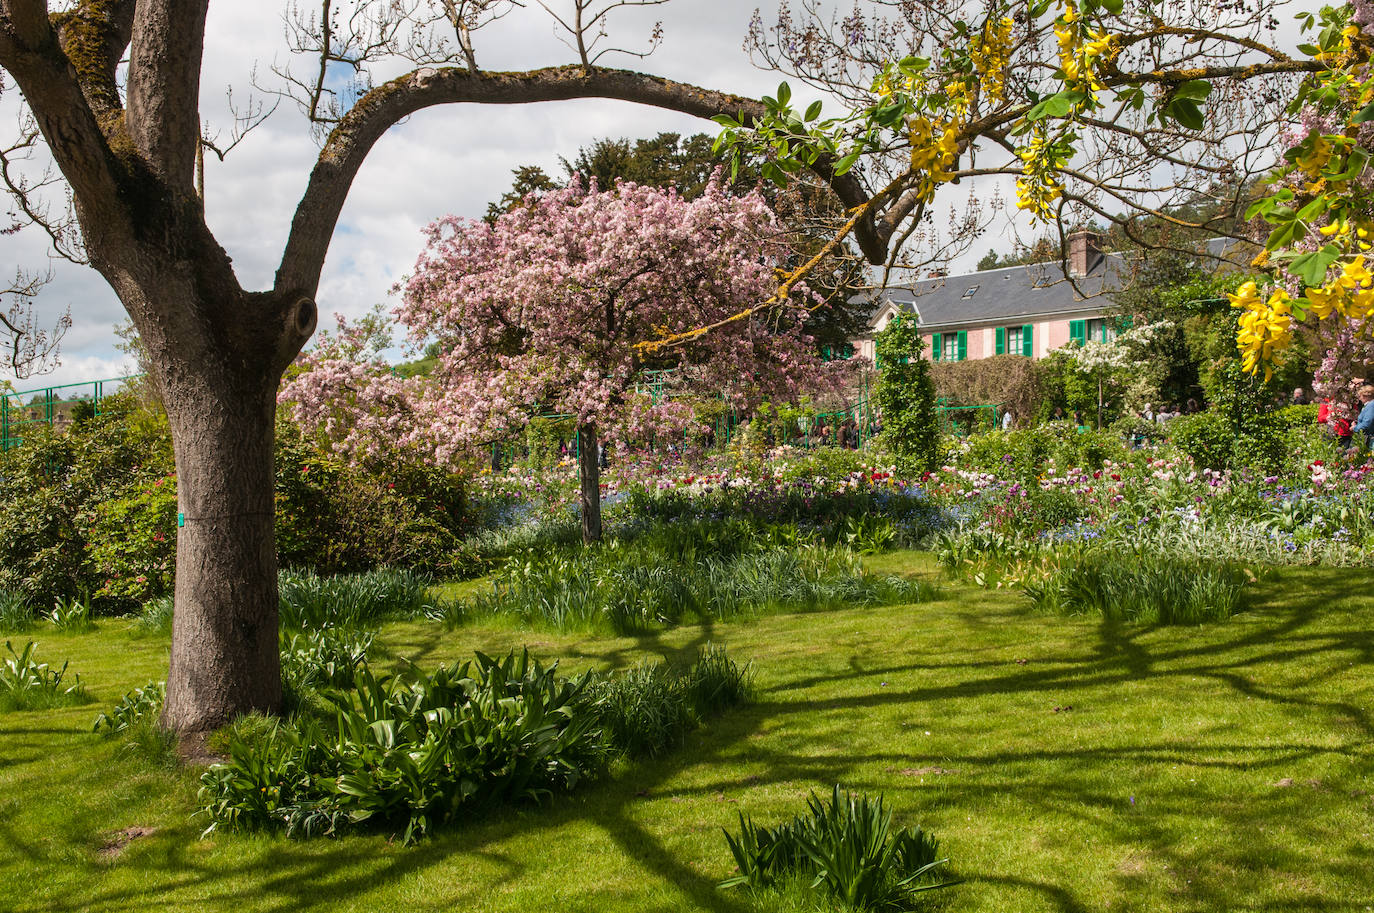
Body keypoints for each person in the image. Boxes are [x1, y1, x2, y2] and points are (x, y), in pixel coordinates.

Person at [1354, 384, 1374, 448]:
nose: (1359, 399)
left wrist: (1355, 428)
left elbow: (1368, 422)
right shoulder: (1368, 406)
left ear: (1366, 396)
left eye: (1360, 396)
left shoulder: (1371, 405)